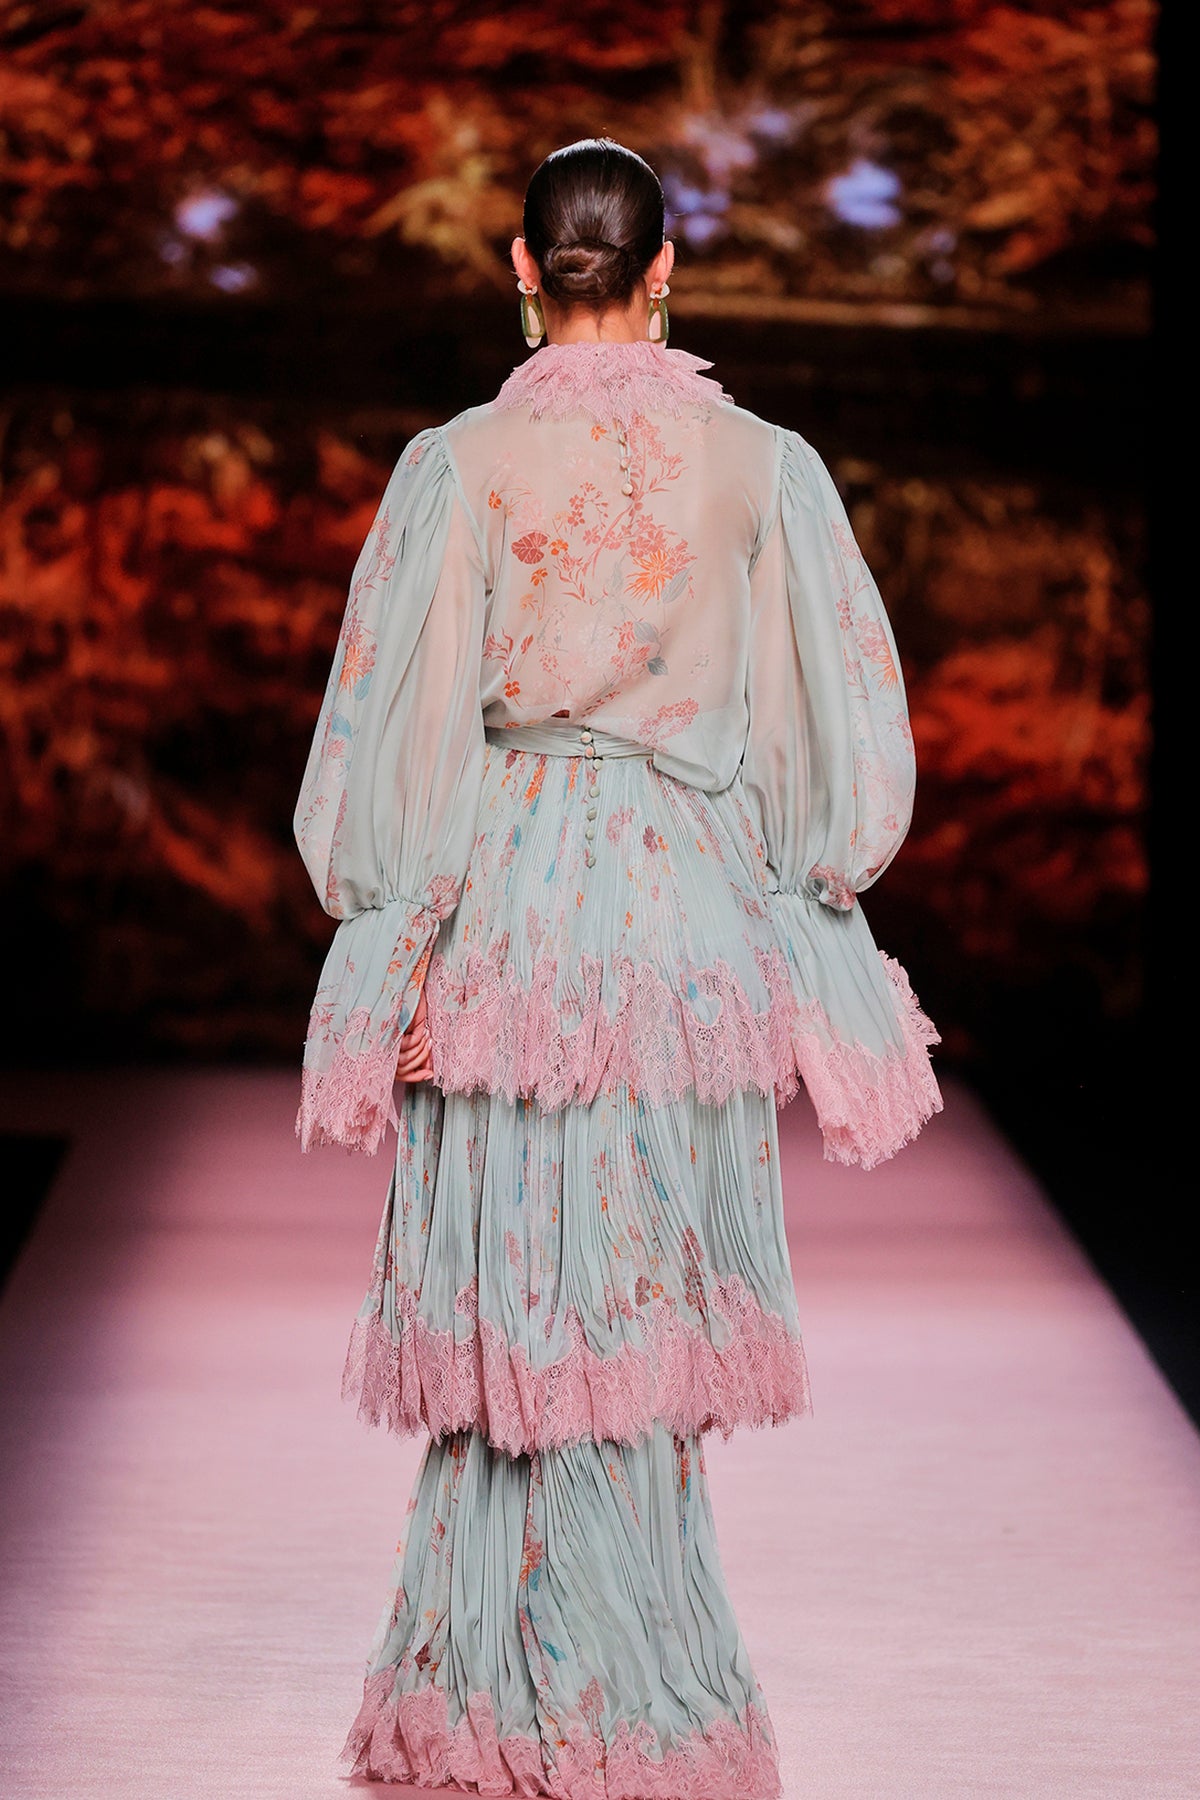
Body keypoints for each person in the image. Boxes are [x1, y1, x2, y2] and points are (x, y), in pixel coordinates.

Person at [293, 136, 941, 1798]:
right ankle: (645, 1698)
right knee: (641, 1317)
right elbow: (842, 728)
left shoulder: (455, 466)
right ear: (666, 272)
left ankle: (494, 1698)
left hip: (505, 914)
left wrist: (394, 942)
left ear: (521, 268)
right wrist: (798, 898)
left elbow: (389, 728)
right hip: (679, 929)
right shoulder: (765, 467)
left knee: (513, 1319)